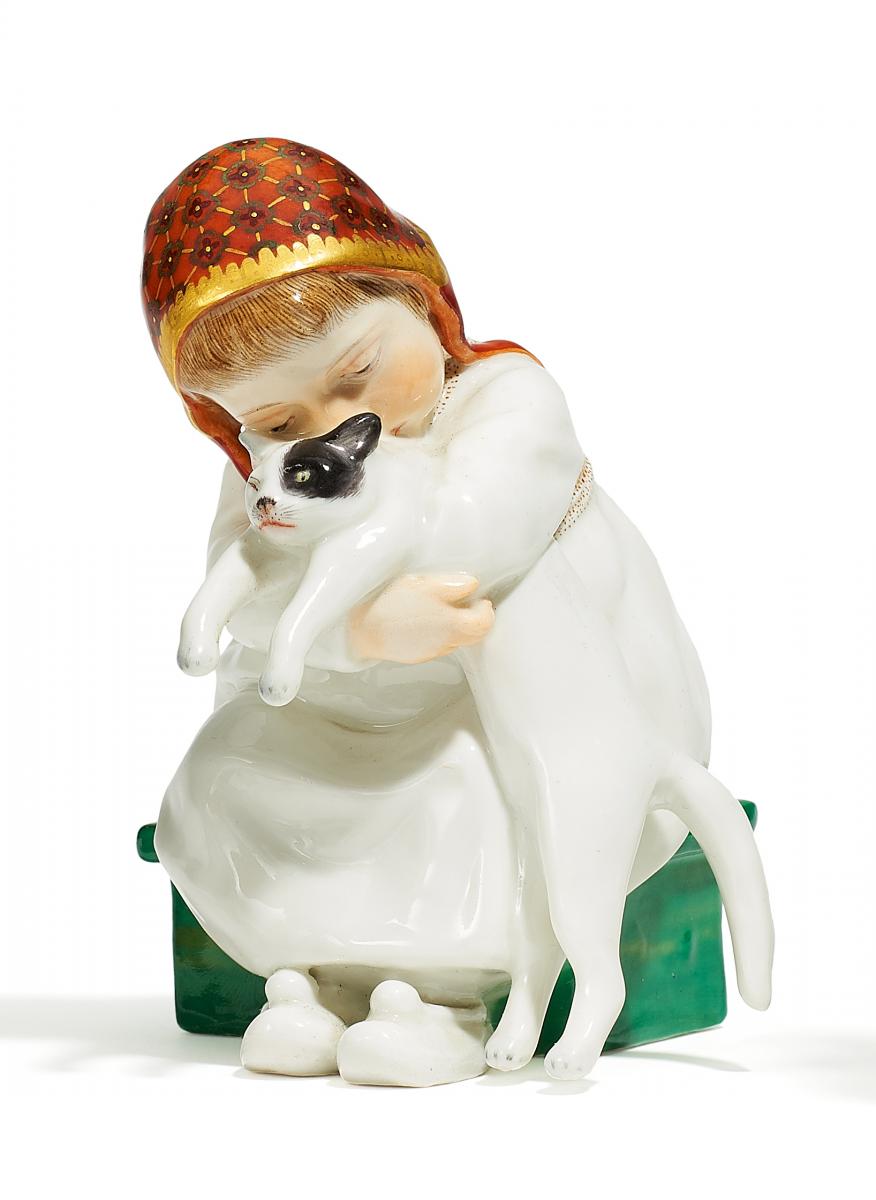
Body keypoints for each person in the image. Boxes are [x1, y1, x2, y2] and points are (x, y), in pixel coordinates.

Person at [143, 138, 730, 1085]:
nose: (334, 424)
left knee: (465, 787)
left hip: (508, 711)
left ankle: (447, 1000)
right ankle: (316, 985)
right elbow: (239, 582)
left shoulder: (508, 401)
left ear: (422, 300)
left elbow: (473, 537)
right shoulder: (265, 470)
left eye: (357, 372)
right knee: (226, 777)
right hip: (336, 718)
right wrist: (355, 635)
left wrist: (357, 614)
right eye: (278, 423)